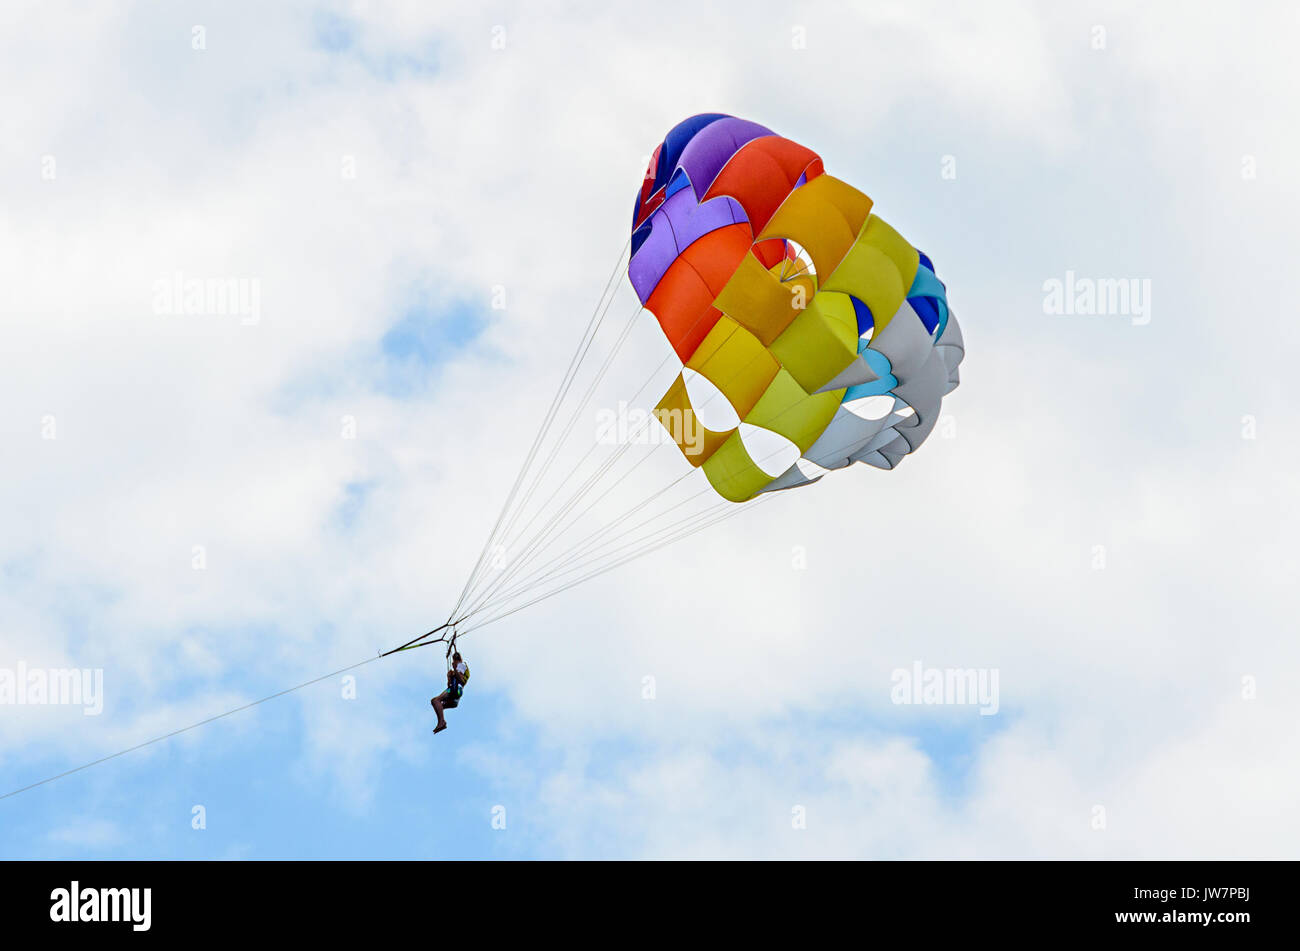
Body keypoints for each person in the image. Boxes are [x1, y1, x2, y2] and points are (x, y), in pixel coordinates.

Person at [431, 651, 468, 734]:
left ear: (455, 660)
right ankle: (441, 722)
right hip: (455, 697)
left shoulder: (461, 666)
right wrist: (449, 677)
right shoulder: (458, 668)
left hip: (455, 691)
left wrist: (455, 669)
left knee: (435, 701)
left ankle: (442, 722)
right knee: (439, 706)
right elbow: (450, 684)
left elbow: (461, 680)